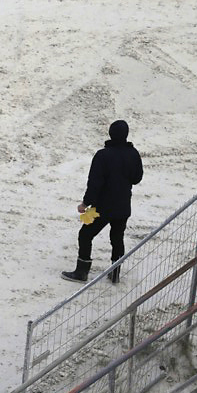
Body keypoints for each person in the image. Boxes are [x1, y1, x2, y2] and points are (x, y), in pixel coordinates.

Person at [62, 119, 144, 283]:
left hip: (102, 207)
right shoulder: (133, 153)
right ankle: (115, 273)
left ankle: (81, 272)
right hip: (123, 206)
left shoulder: (103, 155)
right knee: (117, 238)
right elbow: (137, 178)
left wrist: (85, 204)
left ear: (110, 134)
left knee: (85, 235)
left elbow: (95, 183)